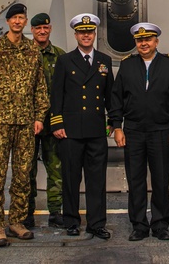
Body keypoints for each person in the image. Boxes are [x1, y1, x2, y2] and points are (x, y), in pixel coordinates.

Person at [0, 3, 49, 247]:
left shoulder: (31, 50)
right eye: (14, 18)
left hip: (26, 123)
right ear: (7, 21)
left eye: (21, 18)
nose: (18, 22)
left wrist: (39, 117)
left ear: (25, 22)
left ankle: (16, 221)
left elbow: (40, 87)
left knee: (22, 176)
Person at [109, 22, 169, 241]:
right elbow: (116, 98)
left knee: (160, 180)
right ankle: (139, 225)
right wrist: (117, 127)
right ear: (135, 42)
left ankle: (160, 225)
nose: (143, 43)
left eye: (148, 39)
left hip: (161, 131)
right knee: (135, 180)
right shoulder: (127, 65)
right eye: (139, 40)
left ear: (156, 41)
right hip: (133, 131)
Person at [50, 13, 114, 238]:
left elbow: (110, 96)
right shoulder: (65, 61)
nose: (86, 35)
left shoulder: (104, 61)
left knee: (97, 180)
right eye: (82, 32)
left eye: (90, 32)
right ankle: (71, 221)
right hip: (70, 130)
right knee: (70, 178)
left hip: (96, 130)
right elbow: (56, 94)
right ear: (76, 34)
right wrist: (57, 123)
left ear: (95, 34)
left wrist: (113, 123)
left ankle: (97, 223)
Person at [24, 12, 64, 229]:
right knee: (27, 170)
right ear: (32, 30)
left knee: (56, 168)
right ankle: (27, 212)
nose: (42, 31)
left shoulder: (60, 56)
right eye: (38, 28)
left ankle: (56, 212)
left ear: (50, 29)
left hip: (52, 122)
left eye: (45, 28)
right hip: (28, 123)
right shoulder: (24, 54)